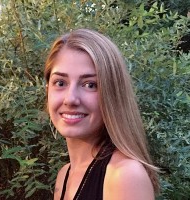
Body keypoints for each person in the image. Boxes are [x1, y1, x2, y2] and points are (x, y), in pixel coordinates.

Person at [44, 28, 159, 200]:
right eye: (60, 82)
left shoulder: (124, 176)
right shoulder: (65, 174)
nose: (70, 99)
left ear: (113, 94)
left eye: (90, 85)